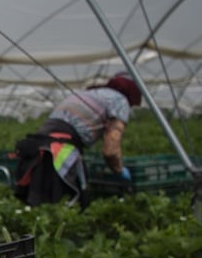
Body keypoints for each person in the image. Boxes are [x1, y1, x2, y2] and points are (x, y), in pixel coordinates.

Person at [12, 72, 143, 206]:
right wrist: (120, 170)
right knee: (65, 206)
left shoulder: (91, 93)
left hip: (39, 147)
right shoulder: (120, 101)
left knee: (40, 206)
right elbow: (110, 150)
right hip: (60, 152)